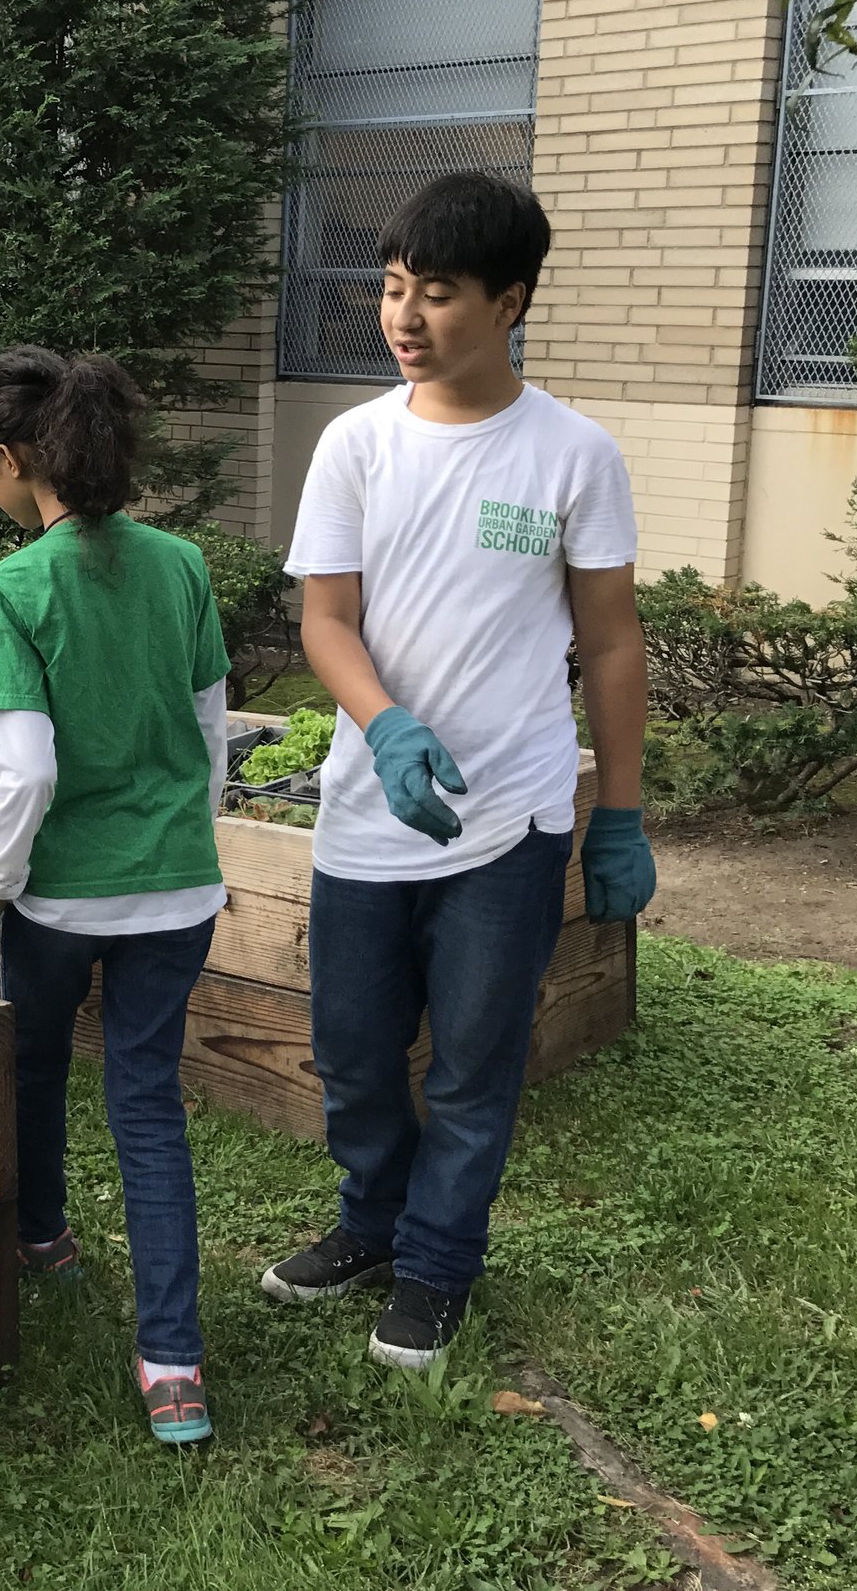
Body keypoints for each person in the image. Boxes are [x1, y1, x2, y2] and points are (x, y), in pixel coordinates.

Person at [260, 171, 654, 1370]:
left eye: (435, 293)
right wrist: (383, 725)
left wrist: (621, 815)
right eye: (390, 288)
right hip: (366, 814)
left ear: (510, 300)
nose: (403, 317)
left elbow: (614, 637)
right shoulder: (355, 445)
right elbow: (325, 619)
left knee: (477, 1062)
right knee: (357, 1053)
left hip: (516, 818)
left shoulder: (573, 455)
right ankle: (370, 1224)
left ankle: (436, 1264)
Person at [0, 347, 230, 1447]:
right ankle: (172, 1368)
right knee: (147, 1108)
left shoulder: (8, 591)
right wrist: (179, 842)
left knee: (35, 1066)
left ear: (15, 459)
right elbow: (210, 736)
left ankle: (43, 1238)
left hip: (58, 900)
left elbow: (23, 775)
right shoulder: (181, 565)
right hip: (177, 890)